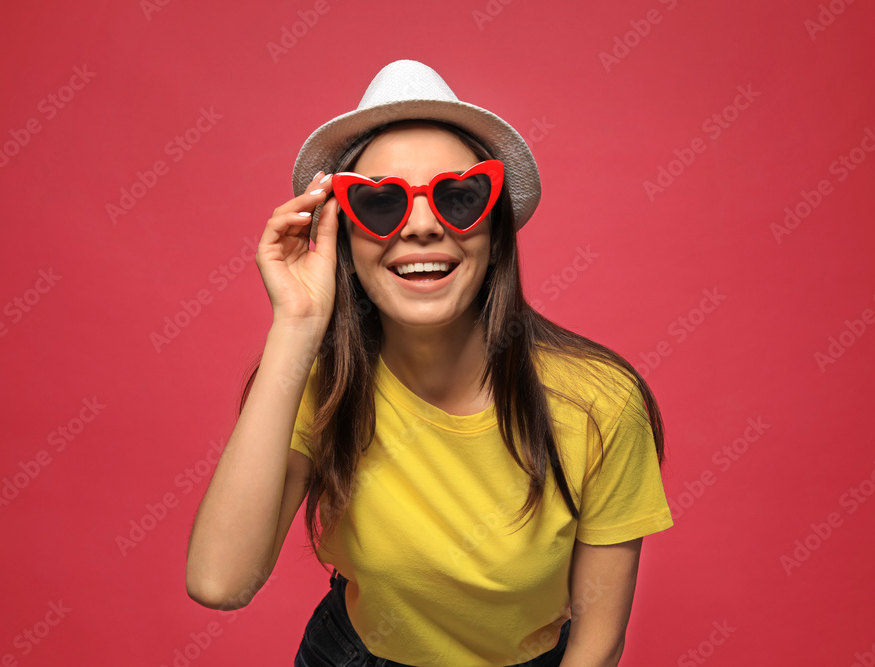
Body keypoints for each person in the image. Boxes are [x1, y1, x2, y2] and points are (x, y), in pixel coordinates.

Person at [185, 59, 674, 667]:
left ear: (493, 233)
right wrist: (298, 324)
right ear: (341, 236)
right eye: (381, 204)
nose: (420, 226)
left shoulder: (598, 402)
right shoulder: (319, 383)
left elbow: (596, 643)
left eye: (458, 198)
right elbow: (219, 582)